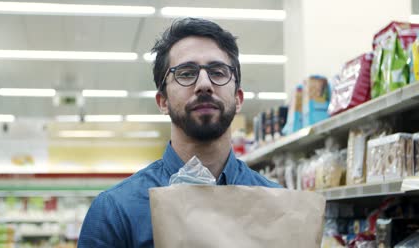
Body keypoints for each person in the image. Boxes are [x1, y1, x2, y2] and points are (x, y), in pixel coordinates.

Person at [78, 17, 281, 248]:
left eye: (218, 72)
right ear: (162, 101)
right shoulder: (116, 211)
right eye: (185, 73)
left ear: (238, 98)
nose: (204, 84)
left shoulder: (278, 205)